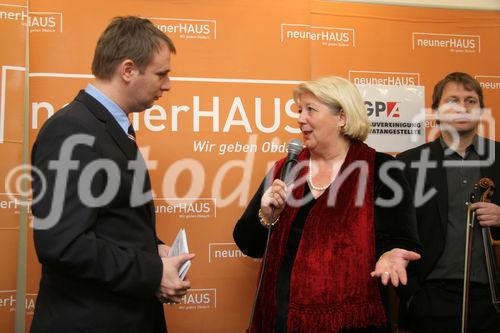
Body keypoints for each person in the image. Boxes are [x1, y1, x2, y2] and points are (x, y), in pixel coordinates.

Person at [30, 16, 194, 333]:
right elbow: (62, 245)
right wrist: (152, 272)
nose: (168, 84)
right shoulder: (72, 130)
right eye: (161, 73)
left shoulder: (107, 126)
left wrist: (152, 248)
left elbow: (110, 222)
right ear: (128, 70)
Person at [233, 76, 422, 332]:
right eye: (300, 110)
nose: (301, 118)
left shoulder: (381, 169)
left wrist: (390, 253)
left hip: (352, 322)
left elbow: (401, 237)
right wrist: (266, 216)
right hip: (281, 319)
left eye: (311, 109)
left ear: (342, 117)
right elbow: (248, 244)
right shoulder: (285, 169)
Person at [397, 72, 500, 332]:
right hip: (430, 297)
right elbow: (395, 233)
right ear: (436, 110)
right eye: (452, 101)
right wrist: (412, 295)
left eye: (471, 101)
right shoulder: (409, 163)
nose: (462, 108)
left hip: (492, 298)